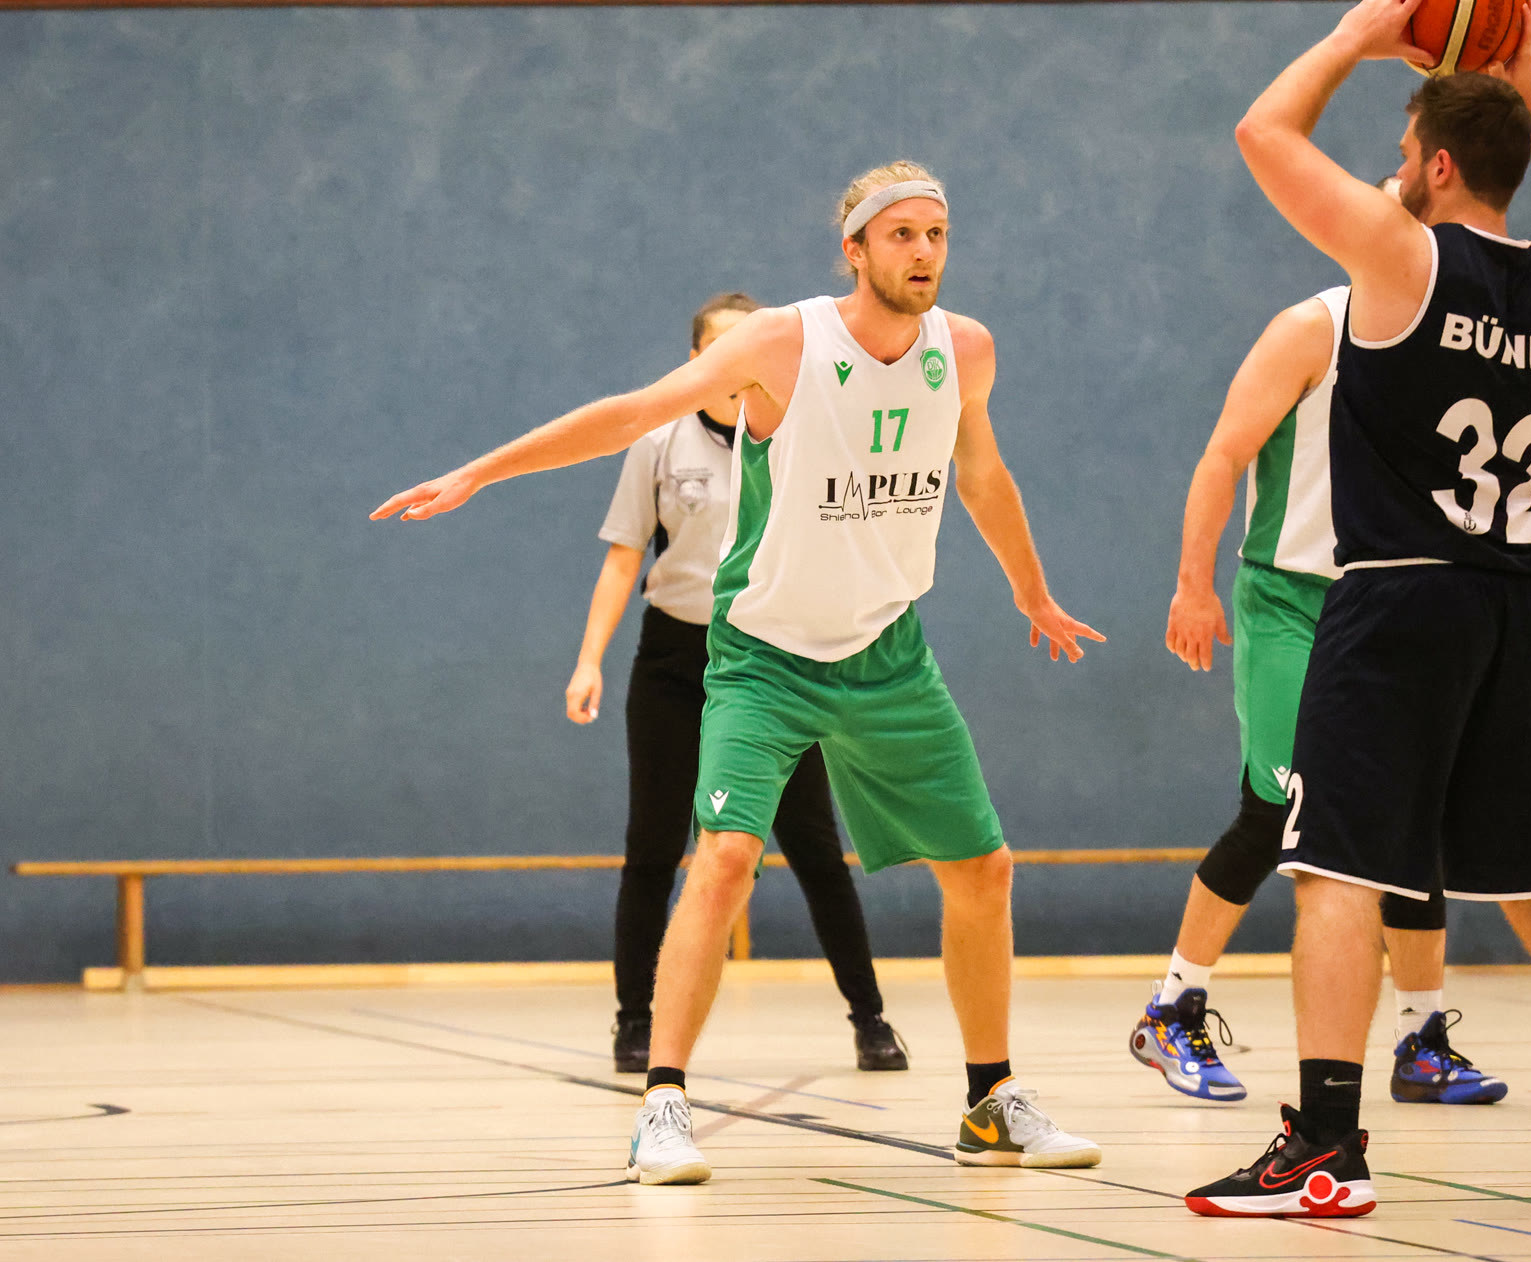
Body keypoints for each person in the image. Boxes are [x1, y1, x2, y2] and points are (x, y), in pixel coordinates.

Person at [374, 161, 1105, 1187]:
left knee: (983, 869)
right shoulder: (781, 344)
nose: (923, 252)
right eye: (900, 234)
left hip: (887, 650)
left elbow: (980, 472)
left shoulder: (966, 349)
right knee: (720, 859)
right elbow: (632, 412)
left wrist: (1032, 592)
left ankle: (990, 1101)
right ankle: (663, 1105)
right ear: (854, 249)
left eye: (936, 234)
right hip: (766, 654)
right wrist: (477, 471)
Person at [1185, 0, 1531, 1217]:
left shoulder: (1398, 259)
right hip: (1513, 603)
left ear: (1429, 166)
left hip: (1397, 600)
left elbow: (1261, 131)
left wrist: (1359, 34)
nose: (1392, 169)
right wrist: (1524, 96)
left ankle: (1323, 1143)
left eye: (1402, 151)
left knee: (1333, 870)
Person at [1141, 254, 1531, 1107]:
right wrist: (1191, 584)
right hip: (1291, 597)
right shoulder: (1310, 327)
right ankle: (1173, 1007)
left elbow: (1468, 494)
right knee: (1280, 807)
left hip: (1400, 598)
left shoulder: (1445, 342)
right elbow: (1223, 454)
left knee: (1414, 819)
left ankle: (1420, 1040)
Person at [566, 290, 908, 1076]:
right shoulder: (658, 442)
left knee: (815, 847)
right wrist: (589, 659)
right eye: (723, 349)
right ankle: (634, 1020)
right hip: (675, 660)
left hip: (769, 661)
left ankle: (871, 1019)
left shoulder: (801, 431)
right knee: (654, 847)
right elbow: (623, 556)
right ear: (697, 361)